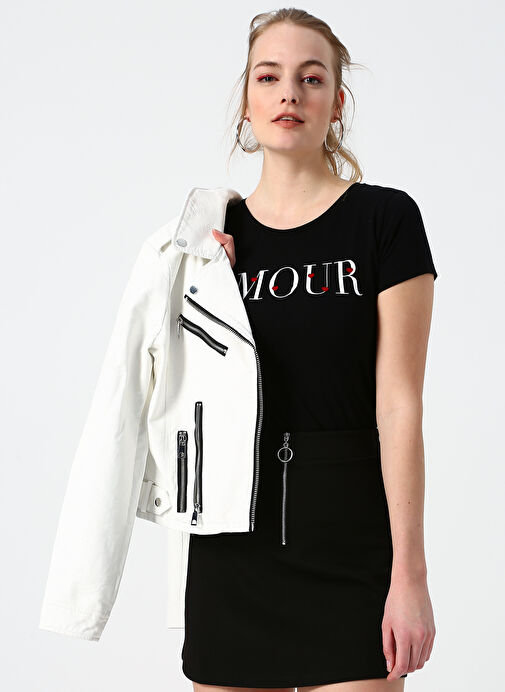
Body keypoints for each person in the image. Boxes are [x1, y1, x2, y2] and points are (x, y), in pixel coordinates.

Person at [181, 8, 437, 692]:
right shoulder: (209, 239)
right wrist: (199, 285)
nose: (289, 93)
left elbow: (399, 405)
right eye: (268, 77)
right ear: (246, 101)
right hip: (231, 552)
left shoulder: (385, 221)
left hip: (351, 550)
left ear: (336, 102)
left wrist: (409, 575)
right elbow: (176, 399)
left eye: (311, 78)